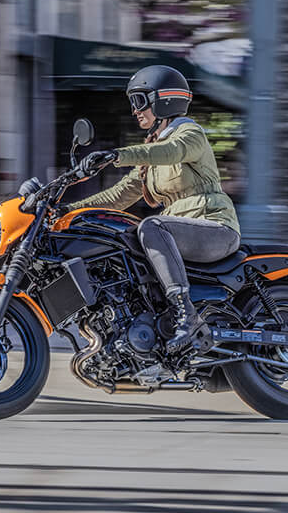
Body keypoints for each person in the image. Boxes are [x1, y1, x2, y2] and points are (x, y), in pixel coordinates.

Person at [68, 65, 241, 354]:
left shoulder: (189, 134)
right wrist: (66, 211)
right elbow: (120, 195)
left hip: (215, 228)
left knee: (151, 225)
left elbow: (171, 152)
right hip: (179, 235)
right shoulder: (152, 152)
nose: (135, 110)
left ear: (163, 100)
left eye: (139, 101)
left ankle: (186, 316)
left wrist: (116, 155)